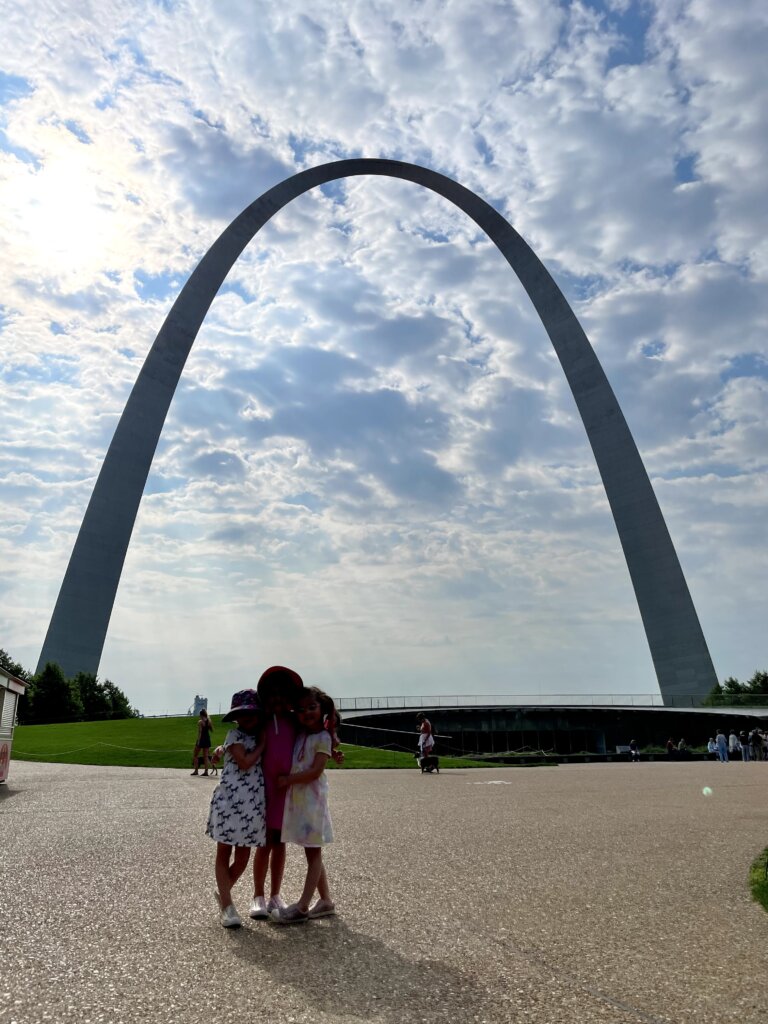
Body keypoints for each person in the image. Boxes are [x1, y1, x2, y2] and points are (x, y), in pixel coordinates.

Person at [272, 685, 339, 924]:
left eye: (312, 707)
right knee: (311, 852)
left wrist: (288, 780)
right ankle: (326, 901)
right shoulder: (302, 735)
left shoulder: (323, 737)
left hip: (313, 804)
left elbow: (315, 771)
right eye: (301, 709)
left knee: (313, 853)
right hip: (301, 804)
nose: (306, 713)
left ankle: (302, 906)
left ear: (322, 708)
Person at [206, 689, 266, 928]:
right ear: (236, 718)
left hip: (252, 807)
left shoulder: (259, 734)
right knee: (224, 852)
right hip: (230, 803)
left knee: (242, 858)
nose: (247, 719)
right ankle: (228, 908)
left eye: (251, 714)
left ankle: (223, 894)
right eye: (242, 715)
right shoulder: (234, 735)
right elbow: (244, 762)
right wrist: (262, 745)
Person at [249, 665, 304, 920]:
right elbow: (242, 736)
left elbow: (318, 733)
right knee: (264, 843)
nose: (278, 699)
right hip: (265, 789)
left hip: (286, 790)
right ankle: (257, 895)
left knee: (280, 843)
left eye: (283, 694)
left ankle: (275, 895)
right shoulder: (261, 720)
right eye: (273, 694)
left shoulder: (295, 721)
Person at [191, 707, 214, 776]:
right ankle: (206, 771)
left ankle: (196, 770)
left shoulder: (200, 722)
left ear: (201, 715)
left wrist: (198, 741)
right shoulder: (209, 721)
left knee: (195, 755)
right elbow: (211, 730)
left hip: (201, 739)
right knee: (205, 756)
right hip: (207, 739)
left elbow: (200, 732)